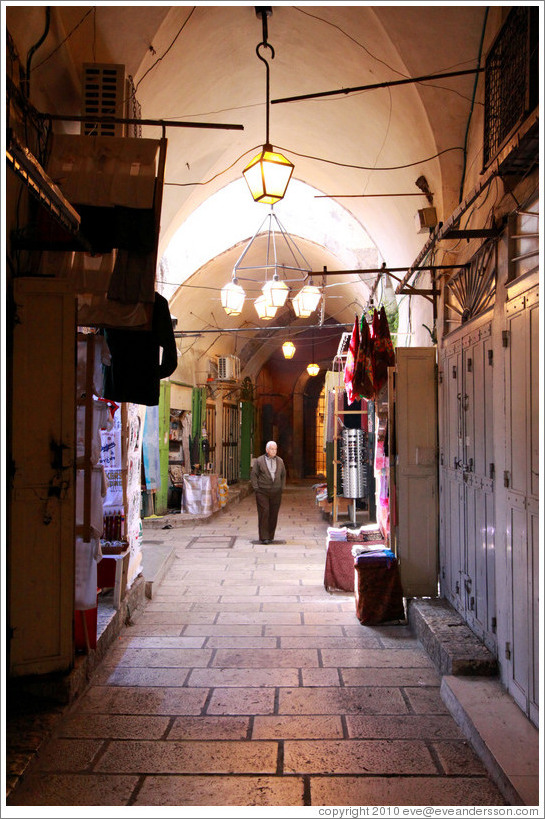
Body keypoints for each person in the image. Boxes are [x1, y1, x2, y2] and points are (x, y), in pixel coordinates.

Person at [250, 441, 286, 543]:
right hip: (262, 491)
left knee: (274, 514)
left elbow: (283, 475)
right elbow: (254, 475)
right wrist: (256, 488)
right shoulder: (259, 461)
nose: (274, 451)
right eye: (272, 449)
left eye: (275, 449)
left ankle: (270, 536)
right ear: (267, 450)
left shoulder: (280, 461)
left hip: (276, 492)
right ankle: (264, 537)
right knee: (264, 512)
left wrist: (281, 487)